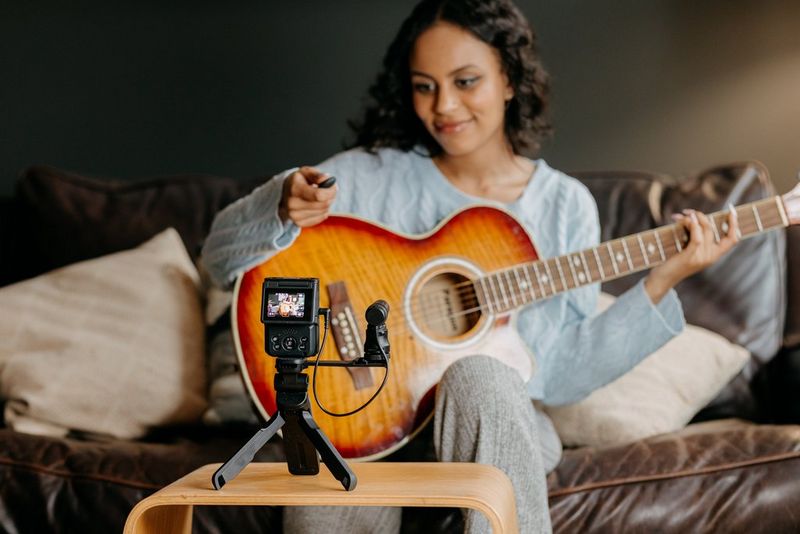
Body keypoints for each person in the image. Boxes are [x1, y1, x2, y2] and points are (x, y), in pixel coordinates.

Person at [201, 0, 739, 532]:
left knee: (480, 375)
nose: (444, 107)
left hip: (494, 422)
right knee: (331, 502)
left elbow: (563, 375)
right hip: (358, 422)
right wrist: (277, 205)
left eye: (465, 81)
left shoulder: (563, 205)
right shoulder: (368, 177)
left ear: (509, 80)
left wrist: (663, 278)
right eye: (425, 85)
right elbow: (220, 261)